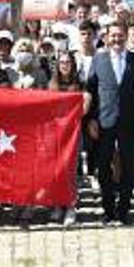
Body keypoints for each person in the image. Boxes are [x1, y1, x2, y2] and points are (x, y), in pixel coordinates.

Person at [84, 21, 134, 225]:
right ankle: (108, 210)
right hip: (104, 121)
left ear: (127, 36)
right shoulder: (98, 59)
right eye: (113, 36)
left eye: (120, 35)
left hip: (129, 122)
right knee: (104, 167)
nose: (117, 39)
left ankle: (124, 210)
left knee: (129, 167)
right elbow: (90, 90)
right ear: (106, 37)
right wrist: (91, 119)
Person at [48, 50, 88, 227]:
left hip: (73, 133)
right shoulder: (51, 85)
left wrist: (85, 100)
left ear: (73, 65)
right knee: (56, 169)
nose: (65, 65)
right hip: (55, 133)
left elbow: (84, 108)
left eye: (68, 62)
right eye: (62, 62)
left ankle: (71, 206)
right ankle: (57, 204)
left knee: (71, 169)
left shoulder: (80, 85)